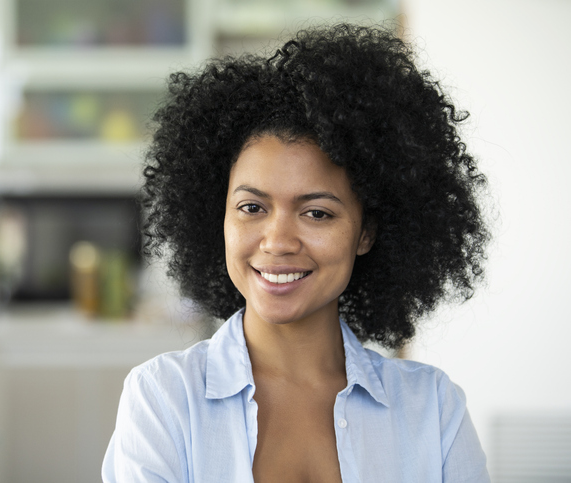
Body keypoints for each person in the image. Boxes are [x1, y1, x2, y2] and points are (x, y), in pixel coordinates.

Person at [102, 23, 491, 482]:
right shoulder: (163, 398)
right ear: (217, 217)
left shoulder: (434, 411)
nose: (278, 241)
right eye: (252, 207)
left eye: (317, 214)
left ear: (365, 232)